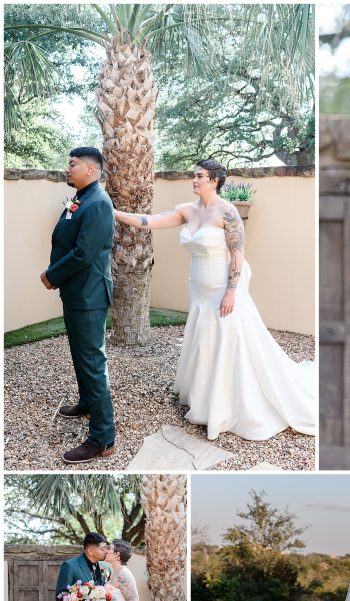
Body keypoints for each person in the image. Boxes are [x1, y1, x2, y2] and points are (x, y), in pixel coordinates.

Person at [113, 159, 316, 441]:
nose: (194, 180)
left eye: (199, 176)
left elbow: (237, 254)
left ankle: (228, 404)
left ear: (214, 180)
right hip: (199, 288)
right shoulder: (187, 210)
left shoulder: (228, 212)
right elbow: (149, 222)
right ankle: (204, 396)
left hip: (222, 287)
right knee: (204, 340)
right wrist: (112, 212)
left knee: (228, 340)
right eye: (193, 176)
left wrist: (231, 291)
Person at [44, 147, 117, 464]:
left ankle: (103, 437)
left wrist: (52, 275)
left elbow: (84, 254)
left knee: (93, 363)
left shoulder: (98, 204)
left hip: (88, 296)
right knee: (80, 354)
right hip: (76, 293)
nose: (67, 168)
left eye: (72, 164)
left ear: (90, 169)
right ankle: (87, 401)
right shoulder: (81, 199)